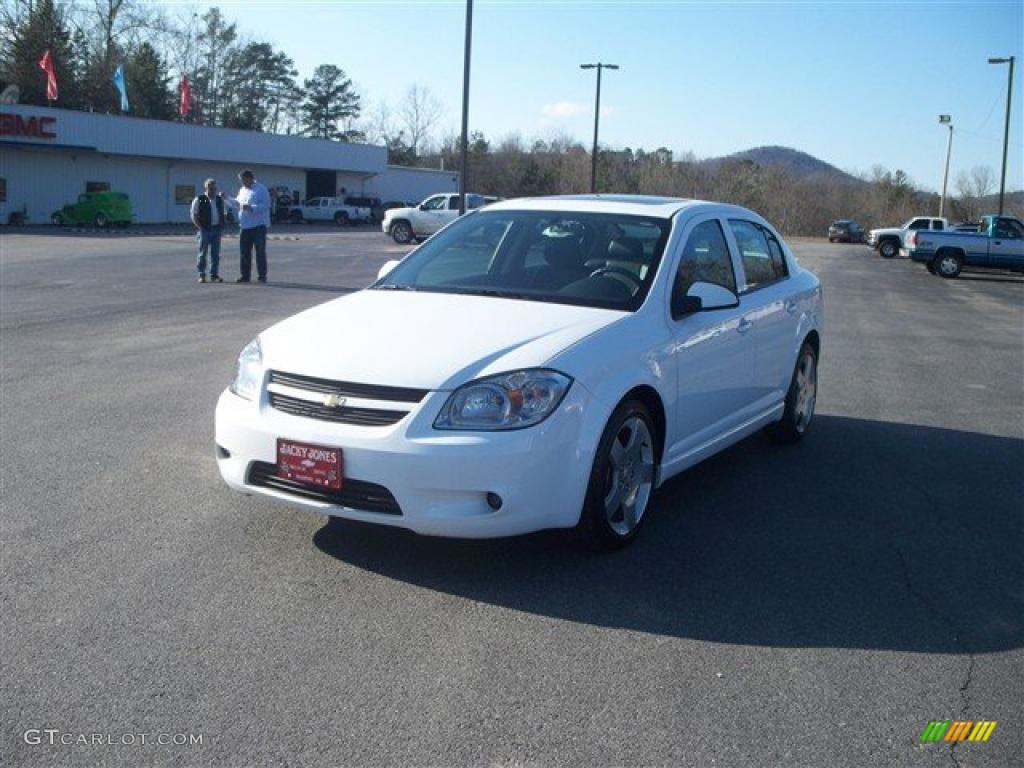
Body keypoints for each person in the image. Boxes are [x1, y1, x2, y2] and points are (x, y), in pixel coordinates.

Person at [230, 169, 271, 283]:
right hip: (245, 226)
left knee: (260, 252)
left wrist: (252, 208)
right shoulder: (242, 190)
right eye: (241, 180)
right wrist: (227, 198)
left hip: (258, 226)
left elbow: (266, 205)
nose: (242, 182)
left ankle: (262, 276)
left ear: (250, 178)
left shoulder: (261, 189)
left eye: (243, 180)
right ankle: (245, 276)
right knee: (244, 252)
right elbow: (237, 204)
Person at [190, 178, 225, 283]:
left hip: (216, 229)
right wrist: (200, 227)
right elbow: (194, 214)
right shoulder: (202, 199)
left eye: (214, 188)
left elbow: (222, 212)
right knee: (203, 253)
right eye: (210, 188)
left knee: (215, 254)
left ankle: (214, 275)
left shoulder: (218, 199)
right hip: (205, 229)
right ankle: (202, 274)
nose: (212, 190)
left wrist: (223, 223)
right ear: (206, 188)